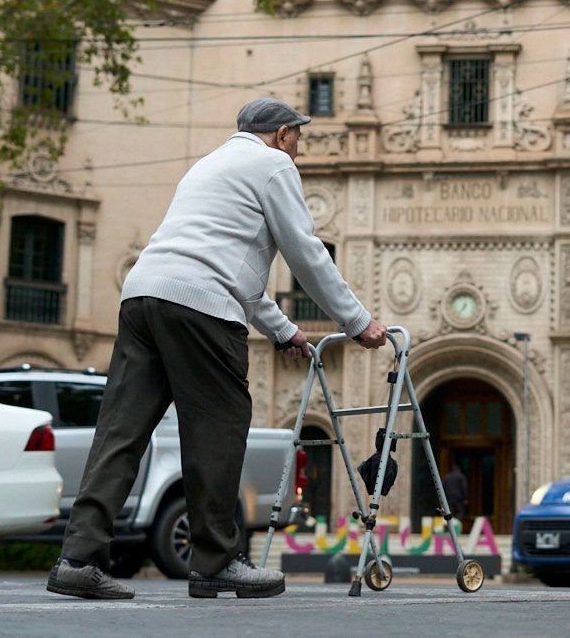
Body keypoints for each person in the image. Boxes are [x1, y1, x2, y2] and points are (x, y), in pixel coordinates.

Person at [46, 98, 387, 600]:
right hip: (201, 311)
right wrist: (358, 321)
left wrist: (284, 330)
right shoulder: (273, 165)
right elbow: (305, 251)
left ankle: (78, 557)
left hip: (144, 296)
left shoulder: (208, 166)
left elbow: (231, 270)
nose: (299, 149)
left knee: (121, 432)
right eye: (298, 138)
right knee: (218, 430)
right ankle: (217, 560)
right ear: (283, 134)